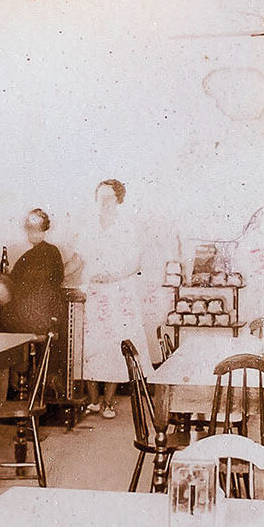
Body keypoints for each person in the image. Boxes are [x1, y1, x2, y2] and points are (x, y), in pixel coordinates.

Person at [78, 178, 146, 417]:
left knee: (114, 346)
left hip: (117, 293)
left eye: (109, 198)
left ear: (118, 200)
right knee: (90, 345)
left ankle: (108, 401)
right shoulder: (89, 226)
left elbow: (135, 263)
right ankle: (93, 400)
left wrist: (112, 276)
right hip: (94, 293)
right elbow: (80, 258)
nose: (104, 202)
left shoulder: (126, 226)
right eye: (101, 197)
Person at [0, 208, 67, 395]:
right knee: (0, 321)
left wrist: (3, 283)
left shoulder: (43, 254)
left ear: (43, 229)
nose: (31, 232)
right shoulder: (41, 253)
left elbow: (26, 285)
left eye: (34, 228)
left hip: (37, 316)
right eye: (29, 228)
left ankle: (7, 386)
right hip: (42, 315)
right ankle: (14, 380)